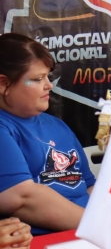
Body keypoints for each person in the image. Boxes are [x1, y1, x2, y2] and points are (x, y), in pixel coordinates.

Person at [0, 33, 95, 234]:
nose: (49, 85)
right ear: (3, 83)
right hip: (40, 247)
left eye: (47, 76)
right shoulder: (4, 126)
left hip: (90, 237)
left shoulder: (57, 125)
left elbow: (89, 186)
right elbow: (22, 198)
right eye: (36, 79)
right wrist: (100, 226)